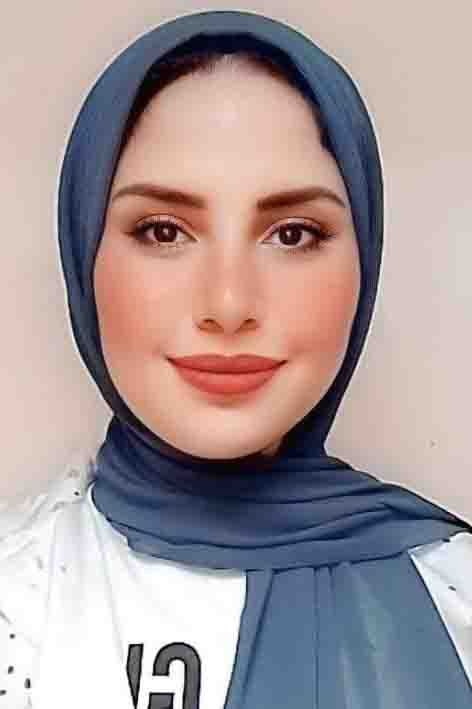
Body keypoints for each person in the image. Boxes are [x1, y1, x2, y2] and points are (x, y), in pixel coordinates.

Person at [1, 8, 471, 709]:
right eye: (163, 231)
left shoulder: (454, 594)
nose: (228, 303)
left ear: (364, 259)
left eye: (293, 233)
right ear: (84, 248)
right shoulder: (18, 604)